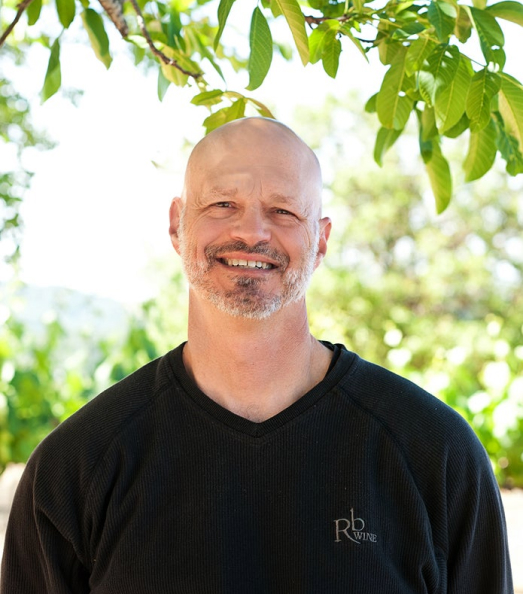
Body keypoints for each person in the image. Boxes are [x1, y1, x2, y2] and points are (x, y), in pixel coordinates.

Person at [0, 118, 513, 594]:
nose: (252, 232)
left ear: (321, 240)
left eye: (283, 210)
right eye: (223, 204)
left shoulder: (435, 453)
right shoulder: (77, 467)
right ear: (178, 224)